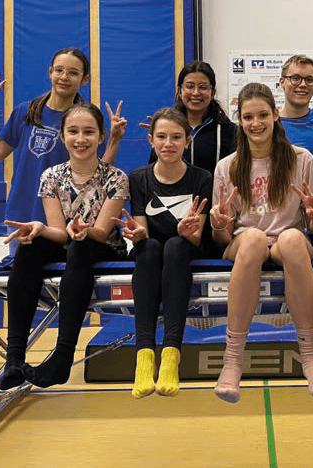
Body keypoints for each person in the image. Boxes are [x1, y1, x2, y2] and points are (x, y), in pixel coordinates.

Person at [210, 82, 313, 403]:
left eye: (263, 114)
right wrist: (220, 224)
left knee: (292, 238)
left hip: (286, 242)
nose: (256, 123)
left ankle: (310, 356)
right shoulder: (228, 166)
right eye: (248, 117)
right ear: (239, 120)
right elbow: (222, 238)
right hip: (245, 243)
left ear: (276, 115)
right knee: (251, 238)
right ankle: (232, 360)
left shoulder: (301, 159)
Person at [0, 103, 128, 390]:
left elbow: (103, 231)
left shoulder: (116, 178)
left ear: (101, 136)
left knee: (80, 248)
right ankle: (14, 358)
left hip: (102, 246)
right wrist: (41, 229)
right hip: (69, 242)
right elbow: (58, 231)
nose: (80, 139)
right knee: (30, 247)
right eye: (73, 132)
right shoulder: (51, 176)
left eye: (88, 132)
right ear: (62, 136)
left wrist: (79, 231)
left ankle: (62, 357)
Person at [0, 47, 126, 258]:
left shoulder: (85, 119)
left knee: (68, 284)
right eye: (59, 70)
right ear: (50, 73)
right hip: (24, 212)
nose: (64, 77)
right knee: (27, 278)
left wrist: (114, 141)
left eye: (73, 73)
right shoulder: (25, 112)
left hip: (67, 219)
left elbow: (100, 174)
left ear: (84, 79)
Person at [115, 108, 212, 398]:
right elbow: (142, 231)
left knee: (175, 245)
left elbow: (195, 236)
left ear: (187, 142)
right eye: (161, 137)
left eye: (176, 137)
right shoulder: (139, 178)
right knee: (150, 247)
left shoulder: (201, 178)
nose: (168, 143)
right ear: (150, 140)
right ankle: (144, 355)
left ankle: (171, 353)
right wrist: (135, 233)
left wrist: (186, 231)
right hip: (151, 250)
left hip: (184, 249)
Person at [147, 61, 236, 176]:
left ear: (212, 92)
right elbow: (154, 173)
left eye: (202, 87)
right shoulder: (167, 130)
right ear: (179, 91)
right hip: (173, 193)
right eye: (189, 86)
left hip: (213, 193)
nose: (196, 93)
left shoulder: (228, 131)